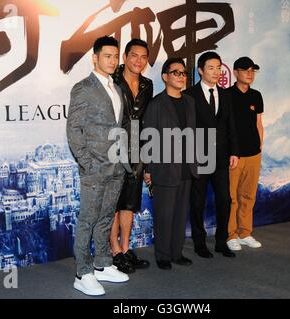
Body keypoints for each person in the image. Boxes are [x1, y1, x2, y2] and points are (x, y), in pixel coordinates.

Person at [66, 36, 128, 296]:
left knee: (106, 217)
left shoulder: (116, 87)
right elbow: (74, 129)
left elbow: (120, 126)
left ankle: (103, 263)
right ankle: (83, 272)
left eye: (115, 56)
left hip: (116, 165)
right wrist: (88, 163)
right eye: (107, 56)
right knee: (88, 220)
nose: (113, 61)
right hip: (94, 168)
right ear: (95, 57)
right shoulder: (83, 88)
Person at [142, 58, 198, 270]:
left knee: (180, 214)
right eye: (176, 72)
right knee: (164, 214)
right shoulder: (156, 104)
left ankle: (177, 252)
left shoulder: (190, 102)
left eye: (183, 73)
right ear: (165, 77)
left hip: (187, 167)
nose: (181, 76)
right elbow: (148, 138)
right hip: (164, 168)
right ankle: (163, 255)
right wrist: (147, 169)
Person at [184, 52, 239, 258]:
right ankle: (199, 242)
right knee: (197, 201)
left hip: (222, 157)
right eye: (211, 68)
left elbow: (231, 125)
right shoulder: (189, 95)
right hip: (199, 157)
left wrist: (234, 151)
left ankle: (221, 241)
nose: (216, 72)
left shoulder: (226, 94)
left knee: (225, 199)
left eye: (218, 68)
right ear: (200, 70)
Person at [109, 39, 153, 273]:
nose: (138, 60)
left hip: (137, 149)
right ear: (125, 56)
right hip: (113, 147)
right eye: (134, 55)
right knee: (113, 204)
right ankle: (114, 251)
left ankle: (125, 249)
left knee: (130, 203)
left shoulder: (148, 85)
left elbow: (145, 121)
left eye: (143, 57)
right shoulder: (111, 80)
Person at [226, 57, 264, 251]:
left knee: (248, 196)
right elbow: (223, 127)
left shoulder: (256, 96)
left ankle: (245, 232)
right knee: (231, 197)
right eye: (245, 70)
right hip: (234, 155)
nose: (249, 73)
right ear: (235, 72)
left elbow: (258, 123)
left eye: (252, 70)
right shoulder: (227, 95)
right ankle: (230, 234)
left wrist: (260, 148)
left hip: (253, 154)